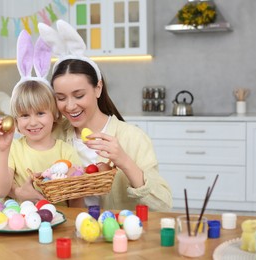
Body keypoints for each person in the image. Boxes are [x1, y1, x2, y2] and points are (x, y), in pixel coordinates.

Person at [36, 20, 172, 211]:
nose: (70, 106)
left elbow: (164, 205)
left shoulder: (132, 138)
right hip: (64, 234)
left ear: (98, 88)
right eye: (60, 98)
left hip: (116, 235)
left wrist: (123, 160)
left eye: (79, 95)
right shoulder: (53, 134)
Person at [0, 30, 83, 207]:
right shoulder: (14, 149)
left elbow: (76, 199)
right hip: (20, 225)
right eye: (24, 115)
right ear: (16, 120)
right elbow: (0, 191)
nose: (33, 122)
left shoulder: (66, 152)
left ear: (54, 114)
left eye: (40, 113)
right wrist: (2, 150)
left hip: (57, 225)